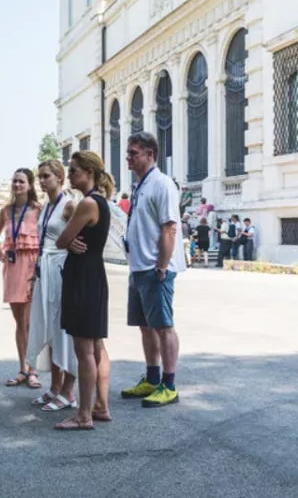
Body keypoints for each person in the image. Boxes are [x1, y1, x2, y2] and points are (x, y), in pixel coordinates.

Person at [120, 132, 187, 408]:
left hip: (155, 268)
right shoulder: (139, 186)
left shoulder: (161, 184)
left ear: (150, 155)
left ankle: (169, 385)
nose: (129, 157)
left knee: (162, 326)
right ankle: (152, 377)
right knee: (145, 327)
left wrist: (161, 266)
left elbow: (169, 227)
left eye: (134, 153)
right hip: (139, 267)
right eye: (128, 152)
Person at [54, 150, 114, 430]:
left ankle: (84, 414)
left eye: (75, 170)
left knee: (84, 350)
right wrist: (70, 240)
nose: (71, 174)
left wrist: (69, 240)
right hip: (94, 274)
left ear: (89, 173)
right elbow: (68, 239)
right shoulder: (99, 202)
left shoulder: (87, 203)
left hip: (83, 276)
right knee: (97, 346)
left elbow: (61, 239)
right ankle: (99, 407)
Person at [26, 160, 78, 411]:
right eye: (40, 176)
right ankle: (55, 387)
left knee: (62, 330)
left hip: (59, 272)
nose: (42, 180)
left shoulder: (68, 205)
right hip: (43, 272)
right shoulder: (47, 206)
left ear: (60, 177)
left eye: (46, 176)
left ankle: (68, 391)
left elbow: (79, 236)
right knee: (48, 329)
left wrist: (71, 245)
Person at [0, 168, 42, 390]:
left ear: (29, 185)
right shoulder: (5, 211)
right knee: (19, 322)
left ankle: (33, 370)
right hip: (12, 267)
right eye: (14, 181)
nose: (17, 185)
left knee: (30, 322)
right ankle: (22, 368)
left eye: (21, 181)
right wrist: (1, 254)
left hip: (31, 266)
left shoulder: (38, 210)